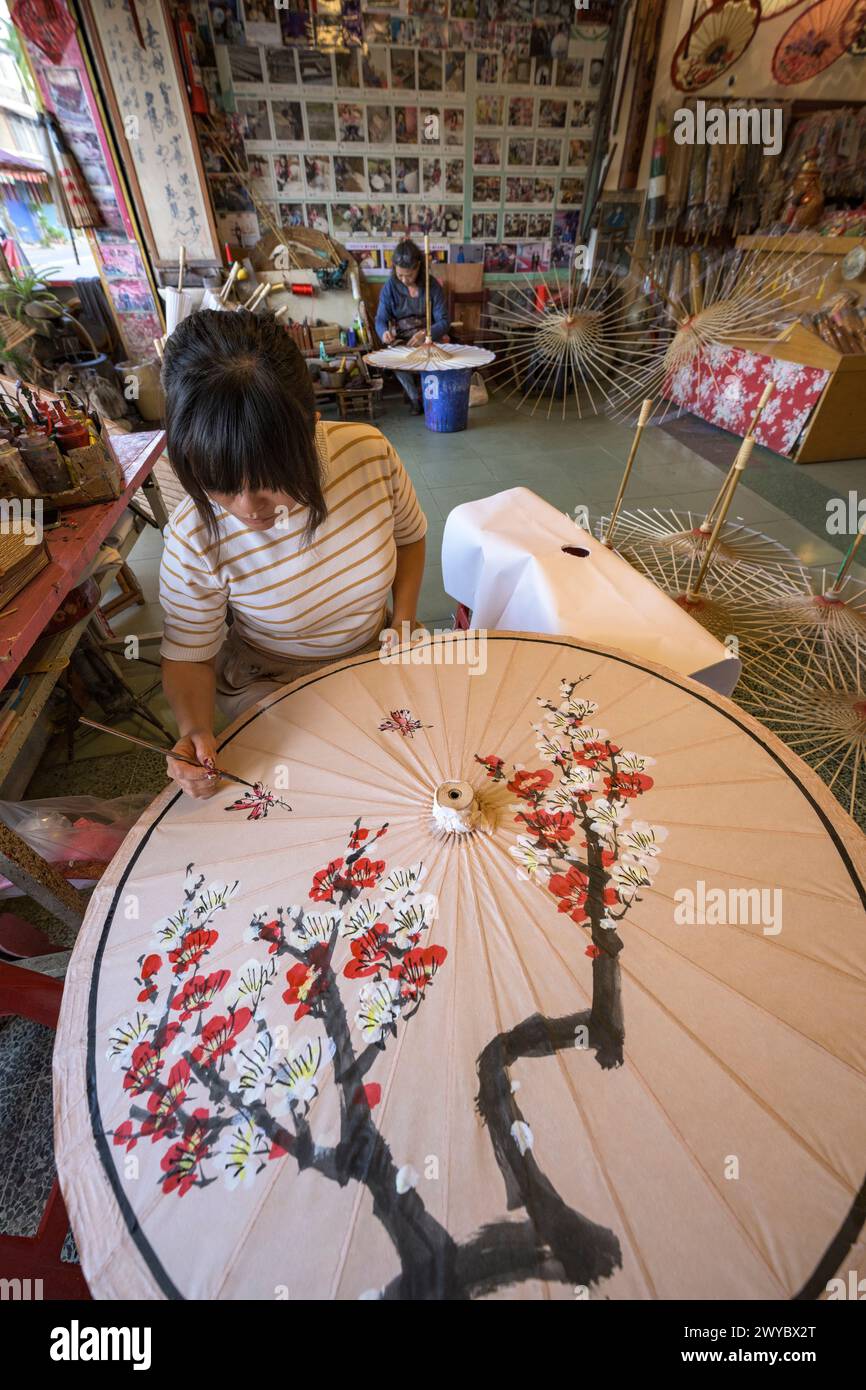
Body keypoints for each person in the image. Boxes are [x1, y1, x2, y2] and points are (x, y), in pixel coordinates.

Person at [158, 309, 427, 798]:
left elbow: (410, 538)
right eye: (218, 484)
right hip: (270, 682)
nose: (247, 509)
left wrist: (402, 622)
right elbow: (189, 656)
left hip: (372, 655)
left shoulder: (369, 455)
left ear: (310, 429)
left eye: (269, 483)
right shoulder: (193, 535)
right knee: (316, 792)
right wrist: (195, 728)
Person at [374, 238, 449, 413]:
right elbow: (380, 320)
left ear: (418, 267)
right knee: (396, 360)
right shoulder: (390, 287)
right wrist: (384, 332)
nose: (404, 280)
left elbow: (444, 321)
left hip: (430, 336)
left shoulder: (432, 286)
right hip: (403, 339)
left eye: (409, 275)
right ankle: (415, 398)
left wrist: (426, 333)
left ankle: (432, 394)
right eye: (400, 275)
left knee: (441, 357)